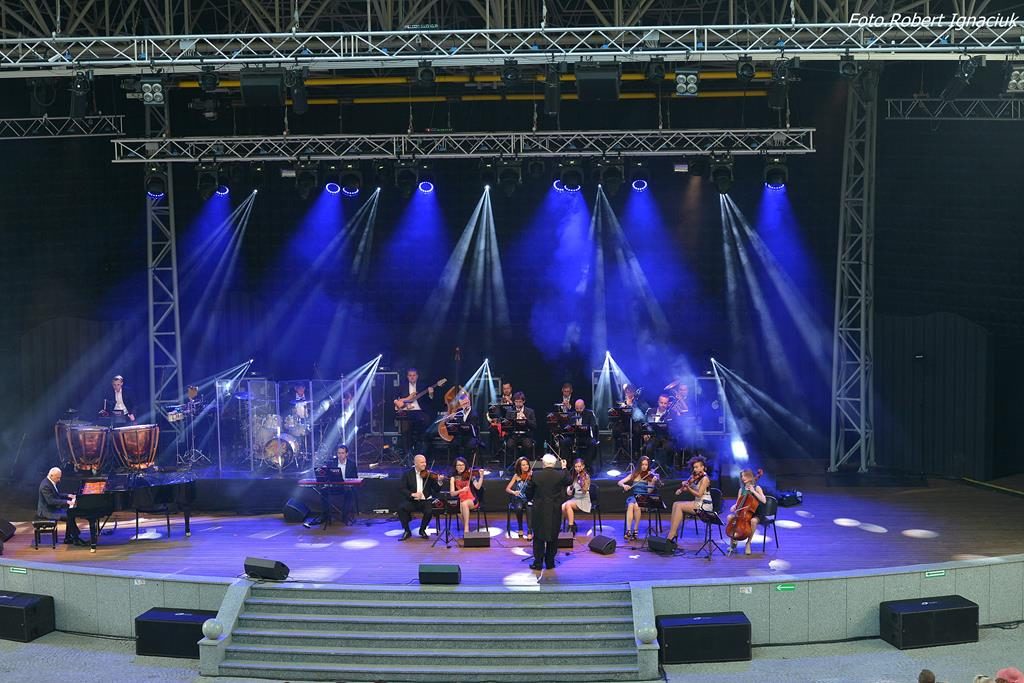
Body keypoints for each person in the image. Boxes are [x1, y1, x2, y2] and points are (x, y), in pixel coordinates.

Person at [525, 454, 570, 570]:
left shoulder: (536, 475)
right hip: (554, 509)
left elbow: (528, 491)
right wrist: (564, 467)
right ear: (554, 464)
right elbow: (569, 480)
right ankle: (550, 563)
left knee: (538, 537)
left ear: (543, 463)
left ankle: (538, 563)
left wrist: (531, 499)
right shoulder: (560, 474)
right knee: (553, 536)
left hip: (539, 509)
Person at [396, 454, 444, 541]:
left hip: (425, 501)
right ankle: (407, 531)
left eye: (425, 462)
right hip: (412, 500)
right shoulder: (407, 474)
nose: (424, 464)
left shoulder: (429, 475)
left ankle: (422, 530)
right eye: (422, 462)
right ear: (415, 463)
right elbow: (402, 488)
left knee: (429, 511)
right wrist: (412, 494)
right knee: (401, 508)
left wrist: (440, 481)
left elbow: (436, 489)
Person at [665, 455, 712, 540]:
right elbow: (689, 488)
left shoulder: (705, 479)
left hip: (704, 505)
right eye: (694, 467)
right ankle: (673, 531)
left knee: (679, 506)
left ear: (702, 467)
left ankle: (672, 534)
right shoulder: (696, 477)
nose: (695, 469)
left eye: (697, 467)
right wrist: (683, 488)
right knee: (675, 504)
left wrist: (688, 488)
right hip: (697, 502)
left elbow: (699, 494)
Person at [37, 467, 87, 546]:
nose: (59, 480)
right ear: (51, 475)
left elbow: (56, 495)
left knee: (70, 514)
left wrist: (68, 495)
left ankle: (69, 538)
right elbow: (50, 501)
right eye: (58, 478)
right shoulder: (45, 485)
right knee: (69, 516)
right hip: (47, 511)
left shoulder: (49, 482)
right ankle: (75, 538)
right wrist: (67, 502)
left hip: (52, 509)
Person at [618, 456, 661, 540]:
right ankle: (628, 531)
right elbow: (620, 482)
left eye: (646, 465)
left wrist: (652, 483)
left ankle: (635, 529)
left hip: (644, 497)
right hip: (634, 496)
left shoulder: (649, 475)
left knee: (636, 505)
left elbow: (649, 492)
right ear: (639, 465)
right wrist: (624, 486)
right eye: (642, 464)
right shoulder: (634, 474)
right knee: (631, 505)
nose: (644, 466)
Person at [394, 368, 434, 458]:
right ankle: (407, 455)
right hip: (407, 411)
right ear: (407, 377)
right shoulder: (402, 386)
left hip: (419, 411)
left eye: (414, 375)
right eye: (410, 375)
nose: (412, 377)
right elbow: (394, 397)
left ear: (417, 376)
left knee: (425, 424)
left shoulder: (423, 386)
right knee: (405, 428)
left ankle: (422, 454)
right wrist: (398, 402)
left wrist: (431, 394)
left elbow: (430, 401)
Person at [726, 468, 767, 556]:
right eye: (742, 476)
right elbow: (738, 503)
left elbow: (764, 500)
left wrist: (753, 491)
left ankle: (748, 543)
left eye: (745, 476)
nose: (743, 478)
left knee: (753, 521)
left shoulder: (757, 488)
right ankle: (733, 542)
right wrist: (734, 506)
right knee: (730, 517)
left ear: (751, 477)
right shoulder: (741, 490)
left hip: (755, 512)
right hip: (743, 513)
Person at [560, 399, 598, 470]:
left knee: (592, 443)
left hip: (585, 437)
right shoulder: (571, 415)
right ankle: (567, 465)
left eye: (581, 408)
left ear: (584, 406)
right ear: (575, 407)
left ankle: (587, 465)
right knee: (564, 442)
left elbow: (593, 426)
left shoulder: (589, 414)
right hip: (573, 437)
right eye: (577, 408)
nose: (579, 410)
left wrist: (584, 427)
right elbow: (566, 426)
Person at [450, 456, 484, 535]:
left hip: (472, 499)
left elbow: (478, 487)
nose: (461, 467)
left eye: (463, 465)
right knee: (458, 508)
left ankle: (466, 529)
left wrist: (481, 476)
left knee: (464, 504)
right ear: (455, 467)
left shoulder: (470, 475)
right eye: (459, 465)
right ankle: (466, 526)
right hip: (460, 499)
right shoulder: (453, 478)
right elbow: (452, 493)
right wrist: (461, 490)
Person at [561, 458, 591, 536]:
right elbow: (571, 490)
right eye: (576, 467)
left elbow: (584, 491)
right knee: (563, 507)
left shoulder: (586, 476)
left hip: (584, 500)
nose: (577, 468)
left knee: (568, 505)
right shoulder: (576, 476)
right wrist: (569, 489)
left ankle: (571, 528)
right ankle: (573, 523)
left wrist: (581, 483)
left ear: (583, 466)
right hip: (576, 499)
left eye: (579, 466)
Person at [504, 457, 533, 539]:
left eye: (527, 464)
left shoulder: (531, 475)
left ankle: (529, 531)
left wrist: (531, 478)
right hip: (518, 498)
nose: (526, 466)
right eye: (523, 465)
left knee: (529, 508)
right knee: (519, 508)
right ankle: (520, 527)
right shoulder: (516, 476)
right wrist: (514, 492)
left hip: (529, 498)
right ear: (519, 467)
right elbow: (507, 489)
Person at [643, 393, 675, 463]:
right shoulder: (651, 411)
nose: (663, 405)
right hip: (654, 436)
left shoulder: (671, 414)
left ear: (668, 404)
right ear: (658, 402)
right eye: (661, 403)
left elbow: (673, 428)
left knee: (669, 448)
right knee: (649, 448)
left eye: (665, 403)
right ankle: (650, 466)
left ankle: (666, 467)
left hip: (666, 437)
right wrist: (646, 433)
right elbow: (647, 424)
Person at [447, 392, 480, 459]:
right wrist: (450, 419)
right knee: (453, 445)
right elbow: (454, 424)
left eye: (466, 403)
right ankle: (456, 462)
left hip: (471, 436)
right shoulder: (459, 411)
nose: (465, 406)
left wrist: (456, 419)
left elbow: (468, 426)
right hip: (460, 436)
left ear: (469, 402)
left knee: (468, 446)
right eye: (463, 404)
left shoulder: (474, 413)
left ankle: (465, 463)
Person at [506, 391, 536, 461]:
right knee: (509, 445)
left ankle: (526, 463)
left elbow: (534, 426)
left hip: (526, 435)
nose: (518, 404)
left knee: (528, 445)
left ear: (524, 401)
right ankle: (513, 464)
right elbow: (507, 426)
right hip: (514, 435)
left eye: (520, 402)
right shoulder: (510, 411)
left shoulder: (530, 411)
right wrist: (514, 420)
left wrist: (526, 420)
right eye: (516, 402)